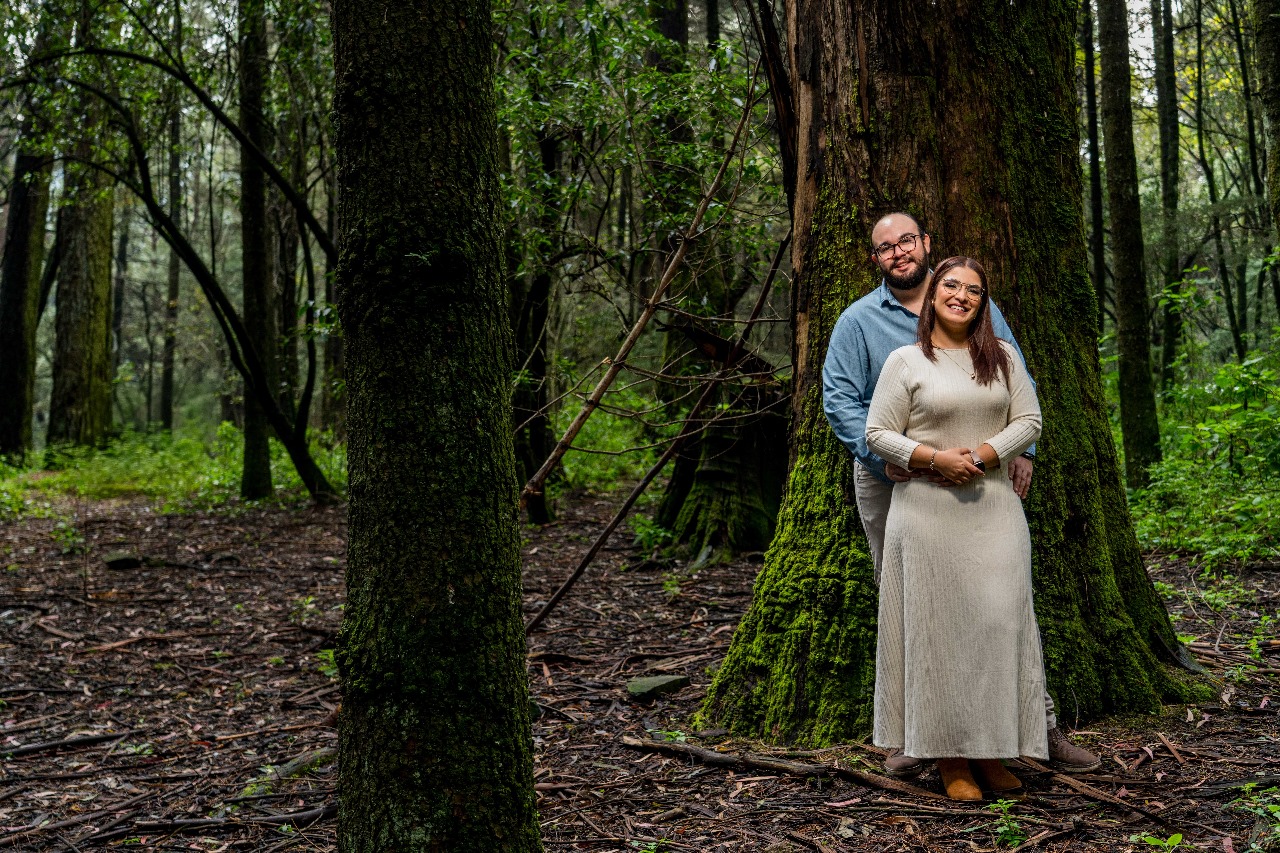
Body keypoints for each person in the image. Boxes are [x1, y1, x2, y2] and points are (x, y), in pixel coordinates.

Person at [822, 213, 1099, 778]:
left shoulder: (977, 305)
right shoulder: (859, 322)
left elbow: (1018, 391)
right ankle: (919, 736)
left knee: (1000, 606)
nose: (898, 253)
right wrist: (894, 459)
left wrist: (1017, 453)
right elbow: (842, 402)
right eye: (884, 248)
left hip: (983, 482)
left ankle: (1029, 727)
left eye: (906, 241)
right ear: (874, 260)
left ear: (926, 245)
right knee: (913, 603)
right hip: (895, 483)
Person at [865, 255, 1046, 800]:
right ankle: (951, 758)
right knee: (937, 634)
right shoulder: (905, 361)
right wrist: (931, 458)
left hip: (994, 509)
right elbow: (877, 432)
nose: (961, 295)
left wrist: (990, 453)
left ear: (982, 301)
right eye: (951, 285)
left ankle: (992, 752)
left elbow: (1029, 420)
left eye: (972, 289)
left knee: (997, 626)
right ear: (934, 294)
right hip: (926, 512)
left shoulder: (1004, 358)